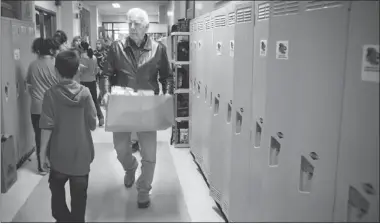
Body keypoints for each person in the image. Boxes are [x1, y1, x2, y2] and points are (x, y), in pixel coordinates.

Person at [103, 8, 174, 208]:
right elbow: (106, 73)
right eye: (130, 23)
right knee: (120, 149)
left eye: (137, 24)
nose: (132, 27)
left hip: (147, 107)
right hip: (122, 105)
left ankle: (144, 189)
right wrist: (105, 91)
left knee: (149, 152)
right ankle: (130, 167)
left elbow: (167, 76)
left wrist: (167, 93)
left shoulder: (158, 49)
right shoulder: (117, 48)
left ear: (146, 27)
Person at [38, 50, 97, 223]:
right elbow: (93, 124)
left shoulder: (50, 95)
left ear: (56, 72)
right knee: (79, 201)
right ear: (78, 70)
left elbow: (46, 128)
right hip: (81, 157)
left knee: (57, 195)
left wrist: (42, 155)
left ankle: (63, 219)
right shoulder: (85, 94)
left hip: (58, 157)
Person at [26, 38, 60, 175]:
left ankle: (41, 166)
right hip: (54, 107)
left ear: (38, 50)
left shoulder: (32, 65)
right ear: (51, 50)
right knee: (54, 136)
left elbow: (28, 84)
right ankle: (52, 162)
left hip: (37, 107)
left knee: (39, 136)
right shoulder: (56, 65)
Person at [79, 41, 105, 127]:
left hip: (83, 82)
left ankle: (87, 120)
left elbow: (81, 71)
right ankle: (100, 117)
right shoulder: (94, 57)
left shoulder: (81, 58)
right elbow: (96, 69)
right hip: (92, 81)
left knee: (84, 101)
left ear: (82, 48)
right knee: (95, 100)